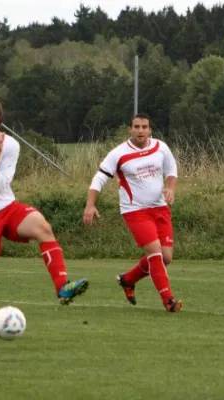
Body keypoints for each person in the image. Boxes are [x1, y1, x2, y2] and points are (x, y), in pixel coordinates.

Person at [0, 95, 89, 344]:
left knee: (43, 228)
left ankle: (62, 287)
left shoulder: (11, 145)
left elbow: (1, 185)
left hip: (7, 208)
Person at [83, 113, 182, 312]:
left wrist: (171, 188)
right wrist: (90, 205)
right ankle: (169, 301)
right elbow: (99, 178)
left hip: (160, 208)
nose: (140, 131)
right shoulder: (118, 153)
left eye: (144, 127)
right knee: (155, 254)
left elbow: (171, 169)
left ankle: (128, 280)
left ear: (150, 129)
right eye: (136, 127)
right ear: (130, 129)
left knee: (166, 258)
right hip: (135, 211)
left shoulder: (160, 147)